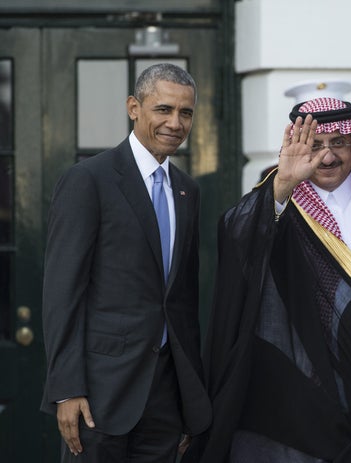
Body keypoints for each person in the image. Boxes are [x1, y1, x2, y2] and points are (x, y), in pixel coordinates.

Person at [187, 97, 351, 462]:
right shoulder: (281, 203)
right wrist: (283, 182)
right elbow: (236, 236)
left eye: (338, 143)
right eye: (315, 145)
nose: (327, 157)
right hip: (306, 401)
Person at [41, 63, 211, 462]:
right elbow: (62, 292)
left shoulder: (188, 190)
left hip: (166, 398)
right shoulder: (89, 180)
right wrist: (66, 388)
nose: (175, 123)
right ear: (134, 107)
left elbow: (181, 301)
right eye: (163, 109)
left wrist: (189, 398)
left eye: (185, 113)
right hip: (98, 397)